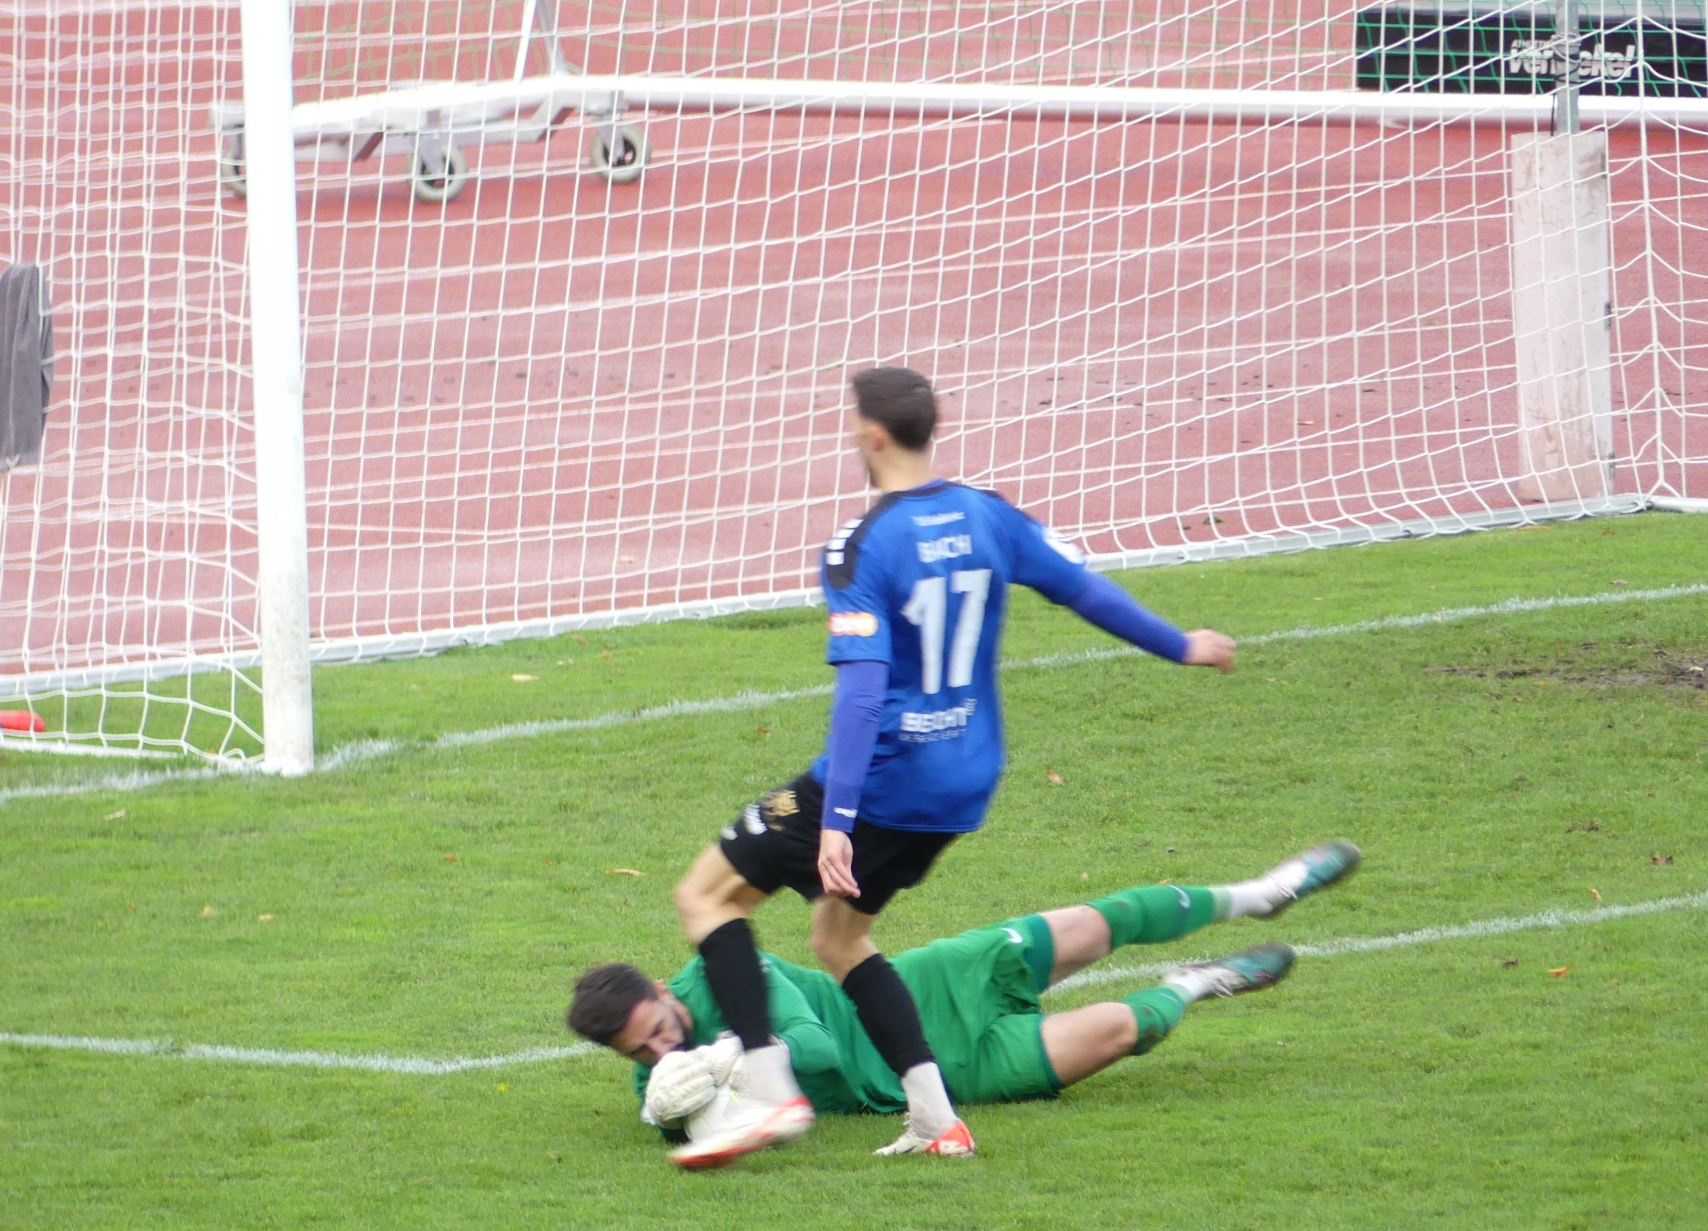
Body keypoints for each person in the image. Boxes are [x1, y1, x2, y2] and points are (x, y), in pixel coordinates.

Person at [667, 366, 1237, 1169]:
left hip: (884, 779)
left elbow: (864, 692)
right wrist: (1180, 644)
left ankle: (768, 1090)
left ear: (871, 435)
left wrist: (836, 820)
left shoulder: (861, 545)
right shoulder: (987, 515)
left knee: (705, 895)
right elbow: (1081, 589)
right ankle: (936, 1120)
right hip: (961, 784)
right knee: (839, 938)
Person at [572, 842, 1360, 1164]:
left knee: (1097, 923)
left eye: (658, 1031)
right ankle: (1200, 981)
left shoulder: (726, 974)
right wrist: (669, 1113)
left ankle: (1261, 893)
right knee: (1121, 1029)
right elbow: (673, 1115)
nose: (660, 1052)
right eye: (640, 1052)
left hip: (929, 986)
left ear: (662, 990)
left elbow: (813, 1052)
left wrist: (718, 1061)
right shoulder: (659, 1075)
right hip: (943, 1077)